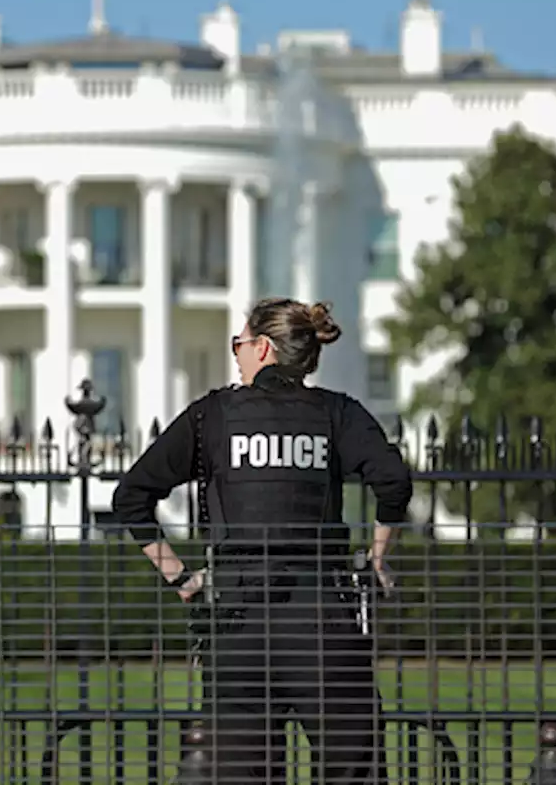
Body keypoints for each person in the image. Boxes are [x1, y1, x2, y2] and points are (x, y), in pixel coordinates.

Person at [111, 296, 412, 784]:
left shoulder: (211, 417)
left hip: (237, 622)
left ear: (265, 349)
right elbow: (393, 481)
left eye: (240, 344)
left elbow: (131, 496)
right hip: (322, 617)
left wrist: (182, 578)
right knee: (355, 767)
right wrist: (378, 559)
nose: (236, 354)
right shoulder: (338, 413)